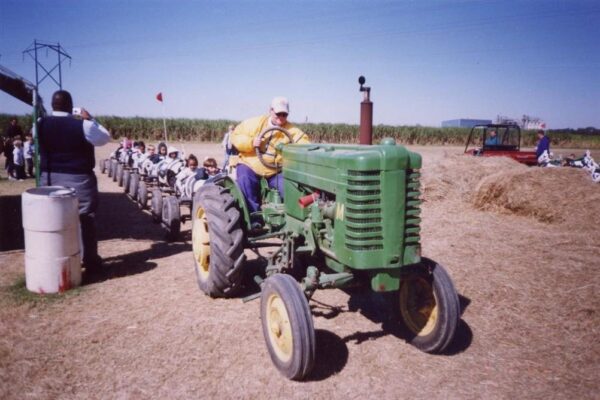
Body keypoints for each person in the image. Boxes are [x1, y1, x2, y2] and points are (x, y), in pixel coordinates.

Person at [37, 90, 111, 273]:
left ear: (52, 105)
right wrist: (90, 118)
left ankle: (56, 259)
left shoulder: (39, 123)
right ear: (71, 106)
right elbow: (105, 137)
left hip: (49, 177)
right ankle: (90, 260)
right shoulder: (83, 125)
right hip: (79, 178)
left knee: (52, 219)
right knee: (86, 218)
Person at [230, 96, 309, 222]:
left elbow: (304, 144)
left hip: (275, 171)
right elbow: (236, 136)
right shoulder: (255, 123)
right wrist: (251, 142)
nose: (281, 117)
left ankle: (289, 221)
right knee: (245, 180)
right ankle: (254, 218)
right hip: (250, 165)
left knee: (290, 188)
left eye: (284, 114)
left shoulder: (292, 131)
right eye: (278, 113)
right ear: (270, 110)